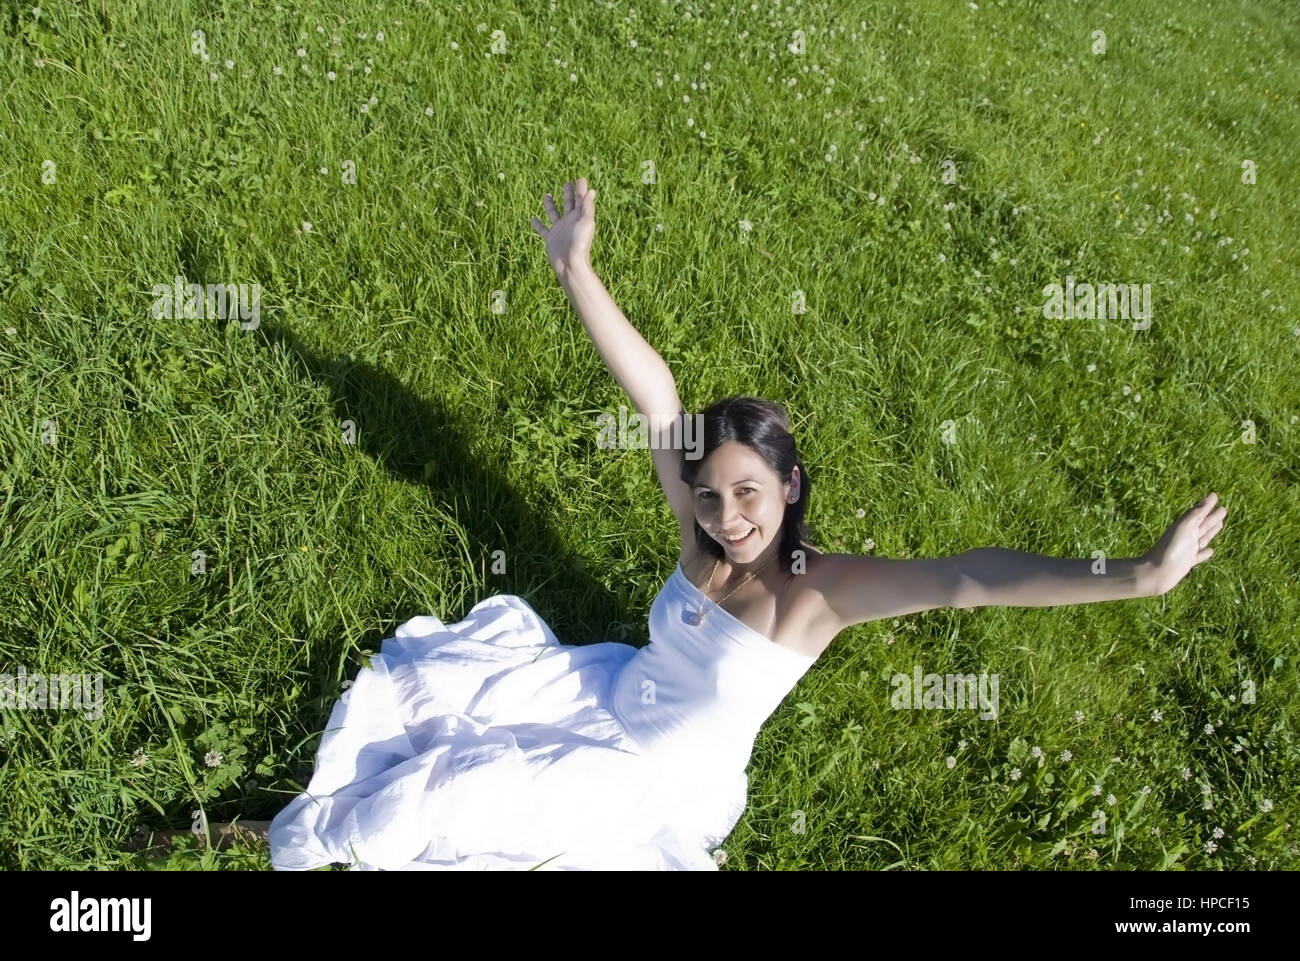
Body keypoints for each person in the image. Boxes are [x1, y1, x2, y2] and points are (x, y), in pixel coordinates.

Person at [150, 178, 1226, 870]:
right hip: (611, 688)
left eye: (749, 493)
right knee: (441, 715)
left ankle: (252, 840)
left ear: (792, 486)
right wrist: (577, 268)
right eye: (709, 493)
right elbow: (657, 398)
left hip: (655, 778)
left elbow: (969, 577)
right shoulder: (703, 534)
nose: (726, 516)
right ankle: (261, 831)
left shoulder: (816, 591)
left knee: (450, 798)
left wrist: (1137, 573)